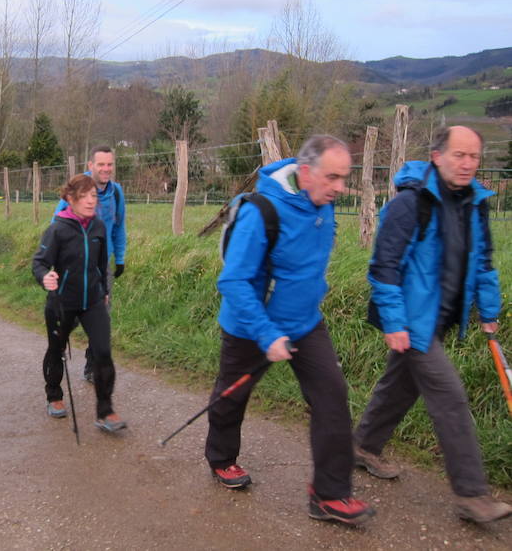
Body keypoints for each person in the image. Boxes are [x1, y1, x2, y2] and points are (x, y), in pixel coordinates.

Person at [205, 135, 374, 526]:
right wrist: (267, 335)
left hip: (304, 322)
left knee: (332, 397)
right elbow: (233, 281)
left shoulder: (322, 202)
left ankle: (329, 495)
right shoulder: (261, 211)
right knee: (232, 396)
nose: (339, 188)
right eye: (332, 178)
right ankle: (222, 458)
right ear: (305, 172)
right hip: (251, 324)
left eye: (343, 178)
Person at [355, 125, 511, 524]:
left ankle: (363, 445)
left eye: (474, 156)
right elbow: (383, 266)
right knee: (450, 398)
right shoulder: (413, 203)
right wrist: (394, 321)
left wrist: (488, 312)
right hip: (411, 318)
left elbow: (483, 263)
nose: (467, 164)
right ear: (437, 156)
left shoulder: (474, 202)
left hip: (439, 317)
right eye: (459, 155)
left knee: (400, 387)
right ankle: (472, 495)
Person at [33, 174, 126, 434]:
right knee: (56, 349)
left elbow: (100, 263)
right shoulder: (57, 229)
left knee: (103, 352)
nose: (90, 201)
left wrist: (104, 290)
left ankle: (105, 411)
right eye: (84, 196)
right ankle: (54, 395)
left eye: (93, 196)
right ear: (70, 199)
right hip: (62, 301)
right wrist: (45, 277)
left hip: (92, 301)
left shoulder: (98, 226)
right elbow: (39, 262)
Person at [54, 146, 126, 383]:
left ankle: (92, 366)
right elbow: (56, 225)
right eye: (101, 164)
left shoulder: (116, 193)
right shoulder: (77, 191)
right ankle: (57, 349)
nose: (106, 169)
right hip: (74, 264)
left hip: (101, 264)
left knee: (101, 318)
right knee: (71, 316)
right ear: (90, 165)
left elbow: (119, 226)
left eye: (110, 164)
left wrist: (121, 258)